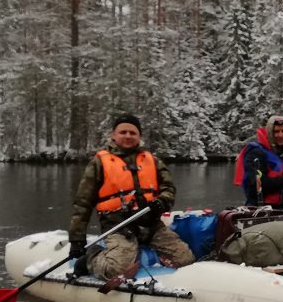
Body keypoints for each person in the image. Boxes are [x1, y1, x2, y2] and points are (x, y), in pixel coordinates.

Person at [68, 113, 195, 278]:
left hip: (151, 225)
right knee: (115, 271)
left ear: (139, 136)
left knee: (186, 259)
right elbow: (82, 204)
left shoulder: (153, 161)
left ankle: (149, 254)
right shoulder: (99, 163)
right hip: (119, 226)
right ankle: (92, 258)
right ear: (114, 135)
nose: (128, 136)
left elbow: (168, 188)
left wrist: (163, 200)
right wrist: (77, 239)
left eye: (132, 133)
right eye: (123, 132)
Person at [233, 113, 283, 221]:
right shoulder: (255, 153)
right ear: (269, 134)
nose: (281, 135)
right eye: (276, 132)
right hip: (261, 215)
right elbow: (257, 184)